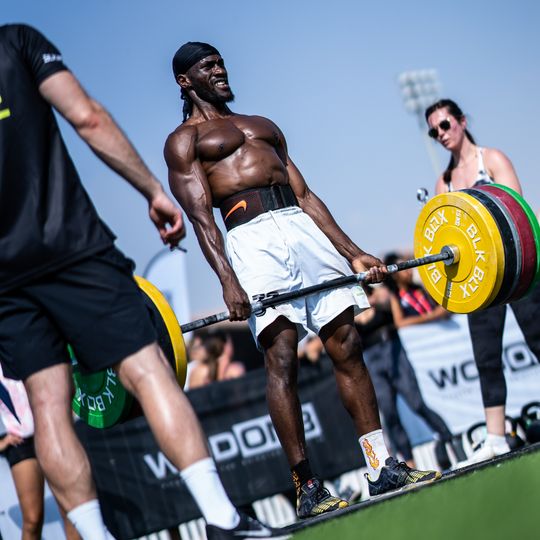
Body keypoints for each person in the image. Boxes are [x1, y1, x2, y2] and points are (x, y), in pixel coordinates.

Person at [0, 24, 288, 540]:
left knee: (47, 408)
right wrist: (153, 190)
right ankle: (223, 520)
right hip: (68, 244)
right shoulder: (15, 42)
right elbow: (87, 117)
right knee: (148, 370)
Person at [165, 41, 442, 515]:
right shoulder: (183, 141)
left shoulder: (262, 126)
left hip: (300, 225)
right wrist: (228, 280)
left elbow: (307, 194)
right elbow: (201, 219)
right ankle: (308, 486)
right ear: (185, 81)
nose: (220, 69)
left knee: (348, 344)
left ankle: (380, 467)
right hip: (250, 239)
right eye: (208, 66)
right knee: (283, 357)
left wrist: (353, 252)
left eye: (221, 62)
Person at [426, 98, 540, 466]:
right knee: (487, 358)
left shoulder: (491, 160)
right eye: (433, 131)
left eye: (445, 125)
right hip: (481, 284)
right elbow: (442, 235)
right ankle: (496, 437)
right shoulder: (444, 181)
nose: (440, 134)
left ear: (461, 121)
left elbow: (518, 211)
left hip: (519, 270)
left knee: (538, 339)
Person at [378, 256, 467, 467]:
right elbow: (400, 322)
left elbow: (442, 310)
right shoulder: (394, 296)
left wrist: (438, 314)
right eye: (402, 266)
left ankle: (452, 444)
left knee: (420, 404)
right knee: (395, 412)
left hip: (440, 354)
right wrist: (431, 317)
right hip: (412, 359)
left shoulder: (421, 289)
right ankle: (410, 465)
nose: (409, 270)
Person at [0, 364, 81, 540]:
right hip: (22, 443)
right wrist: (2, 442)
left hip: (53, 431)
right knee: (32, 520)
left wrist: (71, 406)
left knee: (72, 512)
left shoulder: (22, 345)